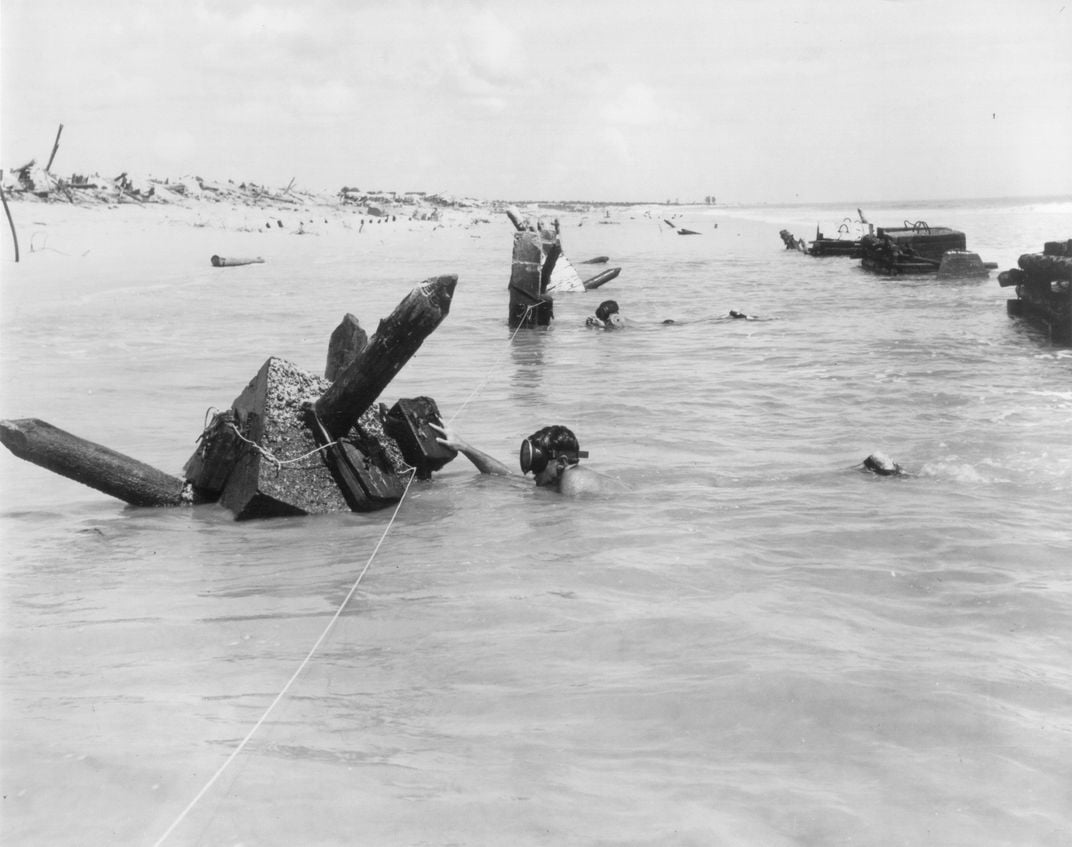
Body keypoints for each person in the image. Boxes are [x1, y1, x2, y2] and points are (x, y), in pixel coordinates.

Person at [429, 423, 622, 495]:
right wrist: (463, 446)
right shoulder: (558, 479)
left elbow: (567, 526)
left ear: (562, 462)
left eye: (537, 464)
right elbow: (507, 476)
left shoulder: (573, 481)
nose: (532, 472)